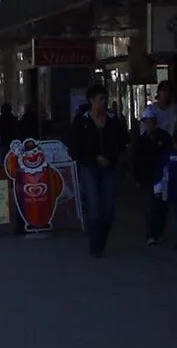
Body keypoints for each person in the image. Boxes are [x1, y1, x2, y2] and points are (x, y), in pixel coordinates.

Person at [64, 87, 127, 256]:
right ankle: (95, 245)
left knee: (108, 210)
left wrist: (113, 159)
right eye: (100, 99)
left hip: (109, 168)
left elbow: (122, 142)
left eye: (105, 99)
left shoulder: (113, 121)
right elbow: (74, 145)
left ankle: (102, 237)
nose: (104, 102)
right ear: (91, 101)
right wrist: (92, 158)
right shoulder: (82, 121)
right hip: (89, 168)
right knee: (94, 207)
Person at [133, 105, 170, 246]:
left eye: (150, 121)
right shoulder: (141, 141)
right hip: (147, 177)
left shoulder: (164, 138)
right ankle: (151, 234)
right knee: (150, 206)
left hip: (162, 176)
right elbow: (136, 160)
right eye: (146, 122)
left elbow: (169, 155)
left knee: (162, 206)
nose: (148, 124)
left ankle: (159, 232)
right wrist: (137, 178)